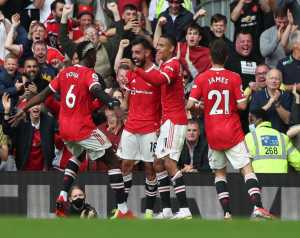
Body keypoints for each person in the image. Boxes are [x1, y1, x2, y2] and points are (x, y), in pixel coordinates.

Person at [11, 41, 133, 219]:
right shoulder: (89, 74)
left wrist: (23, 108)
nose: (96, 58)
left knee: (79, 155)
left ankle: (62, 196)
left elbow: (43, 94)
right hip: (82, 128)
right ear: (90, 55)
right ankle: (122, 210)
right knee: (113, 162)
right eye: (95, 55)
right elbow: (97, 90)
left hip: (65, 129)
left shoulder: (64, 73)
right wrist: (114, 103)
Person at [187, 39, 273, 219]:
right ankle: (257, 207)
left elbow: (190, 105)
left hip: (213, 133)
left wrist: (204, 107)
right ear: (226, 57)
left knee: (219, 173)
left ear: (210, 57)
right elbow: (242, 106)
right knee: (247, 169)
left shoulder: (201, 78)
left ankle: (226, 213)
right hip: (232, 131)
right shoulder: (234, 77)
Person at [122, 34, 192, 219]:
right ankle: (167, 210)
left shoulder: (173, 64)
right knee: (158, 163)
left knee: (168, 163)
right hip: (167, 120)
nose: (158, 48)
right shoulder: (165, 65)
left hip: (175, 120)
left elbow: (157, 81)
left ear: (171, 49)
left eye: (162, 46)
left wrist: (136, 70)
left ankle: (184, 209)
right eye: (157, 45)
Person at [115, 37, 161, 219]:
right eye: (132, 52)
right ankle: (122, 210)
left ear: (147, 53)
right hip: (131, 128)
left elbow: (164, 103)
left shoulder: (157, 73)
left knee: (150, 169)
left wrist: (160, 126)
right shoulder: (132, 74)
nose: (134, 56)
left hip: (150, 129)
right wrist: (120, 99)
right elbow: (126, 105)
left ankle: (149, 212)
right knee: (125, 166)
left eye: (137, 52)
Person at [2, 94, 56, 171]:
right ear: (28, 108)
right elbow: (7, 130)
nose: (36, 107)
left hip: (44, 171)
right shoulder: (21, 121)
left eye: (38, 104)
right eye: (33, 105)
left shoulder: (49, 121)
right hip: (24, 169)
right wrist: (7, 112)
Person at [246, 108, 300, 173]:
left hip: (259, 180)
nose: (249, 124)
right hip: (281, 180)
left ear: (259, 120)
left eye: (251, 120)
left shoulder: (249, 137)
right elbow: (298, 162)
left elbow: (243, 164)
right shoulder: (282, 137)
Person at [250, 68, 292, 133]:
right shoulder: (257, 95)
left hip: (281, 136)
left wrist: (277, 103)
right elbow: (252, 121)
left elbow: (288, 120)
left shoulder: (286, 95)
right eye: (271, 78)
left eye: (277, 79)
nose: (274, 81)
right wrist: (269, 103)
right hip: (262, 136)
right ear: (266, 80)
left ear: (281, 81)